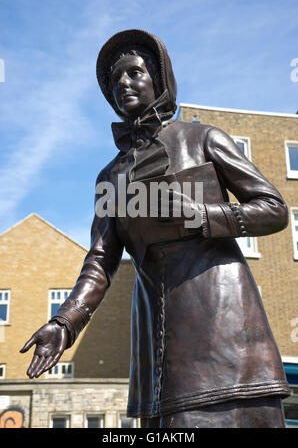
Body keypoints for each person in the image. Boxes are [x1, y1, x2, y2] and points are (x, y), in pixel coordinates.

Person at [20, 29, 290, 428]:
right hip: (156, 337)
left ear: (159, 79)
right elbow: (100, 260)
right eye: (114, 81)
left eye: (133, 73)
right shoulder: (110, 177)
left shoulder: (203, 139)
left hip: (223, 320)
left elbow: (274, 209)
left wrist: (202, 215)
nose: (122, 85)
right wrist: (66, 321)